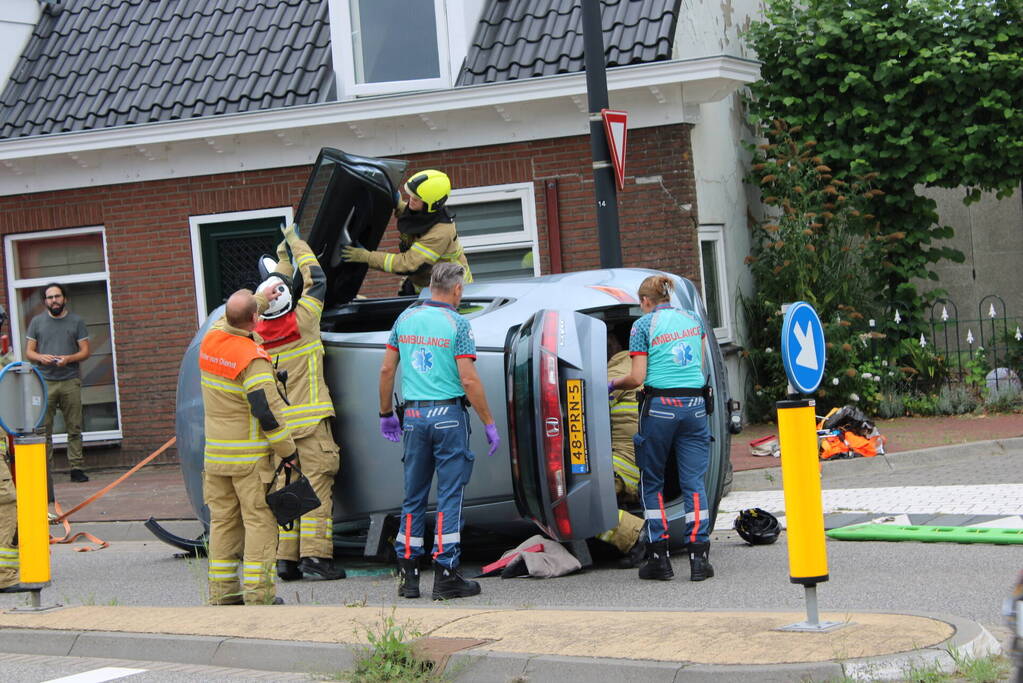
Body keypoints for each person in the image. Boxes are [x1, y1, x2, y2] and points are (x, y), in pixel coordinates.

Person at [377, 262, 499, 600]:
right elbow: (469, 379)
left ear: (431, 286)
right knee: (449, 496)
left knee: (413, 496)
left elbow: (387, 369)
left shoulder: (405, 319)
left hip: (414, 416)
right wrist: (489, 423)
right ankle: (446, 574)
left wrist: (386, 413)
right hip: (448, 415)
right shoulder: (457, 324)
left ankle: (408, 577)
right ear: (457, 289)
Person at [254, 225, 345, 582]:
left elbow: (275, 291)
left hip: (279, 430)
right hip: (312, 424)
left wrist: (280, 262)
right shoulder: (305, 322)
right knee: (318, 489)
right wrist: (295, 243)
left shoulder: (257, 338)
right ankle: (317, 559)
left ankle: (286, 561)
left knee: (288, 489)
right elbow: (316, 279)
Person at [609, 275, 714, 582]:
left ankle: (659, 558)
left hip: (660, 409)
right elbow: (701, 367)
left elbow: (637, 377)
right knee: (693, 481)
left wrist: (612, 384)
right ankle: (699, 559)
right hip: (695, 408)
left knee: (651, 482)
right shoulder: (694, 320)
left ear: (645, 302)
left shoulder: (642, 326)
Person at [199, 286, 297, 605]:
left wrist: (262, 298)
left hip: (215, 458)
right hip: (249, 460)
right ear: (255, 320)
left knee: (223, 522)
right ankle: (259, 595)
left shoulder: (211, 339)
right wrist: (288, 451)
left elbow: (234, 315)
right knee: (259, 521)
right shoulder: (251, 358)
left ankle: (223, 593)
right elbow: (267, 412)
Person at [340, 169, 472, 295]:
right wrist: (397, 203)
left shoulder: (440, 232)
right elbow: (414, 218)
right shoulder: (428, 213)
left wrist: (367, 257)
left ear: (431, 204)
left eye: (416, 199)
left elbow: (408, 263)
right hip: (425, 285)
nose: (410, 201)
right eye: (410, 196)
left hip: (450, 291)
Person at [24, 283, 90, 482]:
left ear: (64, 298)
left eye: (57, 296)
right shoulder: (36, 322)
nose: (54, 300)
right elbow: (29, 352)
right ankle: (45, 472)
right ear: (45, 301)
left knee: (74, 427)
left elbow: (85, 351)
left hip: (70, 380)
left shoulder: (76, 321)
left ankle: (76, 468)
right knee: (44, 429)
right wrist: (40, 357)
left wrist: (69, 359)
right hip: (44, 382)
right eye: (50, 297)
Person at [596, 327, 646, 568]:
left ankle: (636, 536)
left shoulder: (613, 375)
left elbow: (581, 405)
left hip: (626, 463)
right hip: (642, 459)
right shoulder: (634, 364)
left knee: (584, 503)